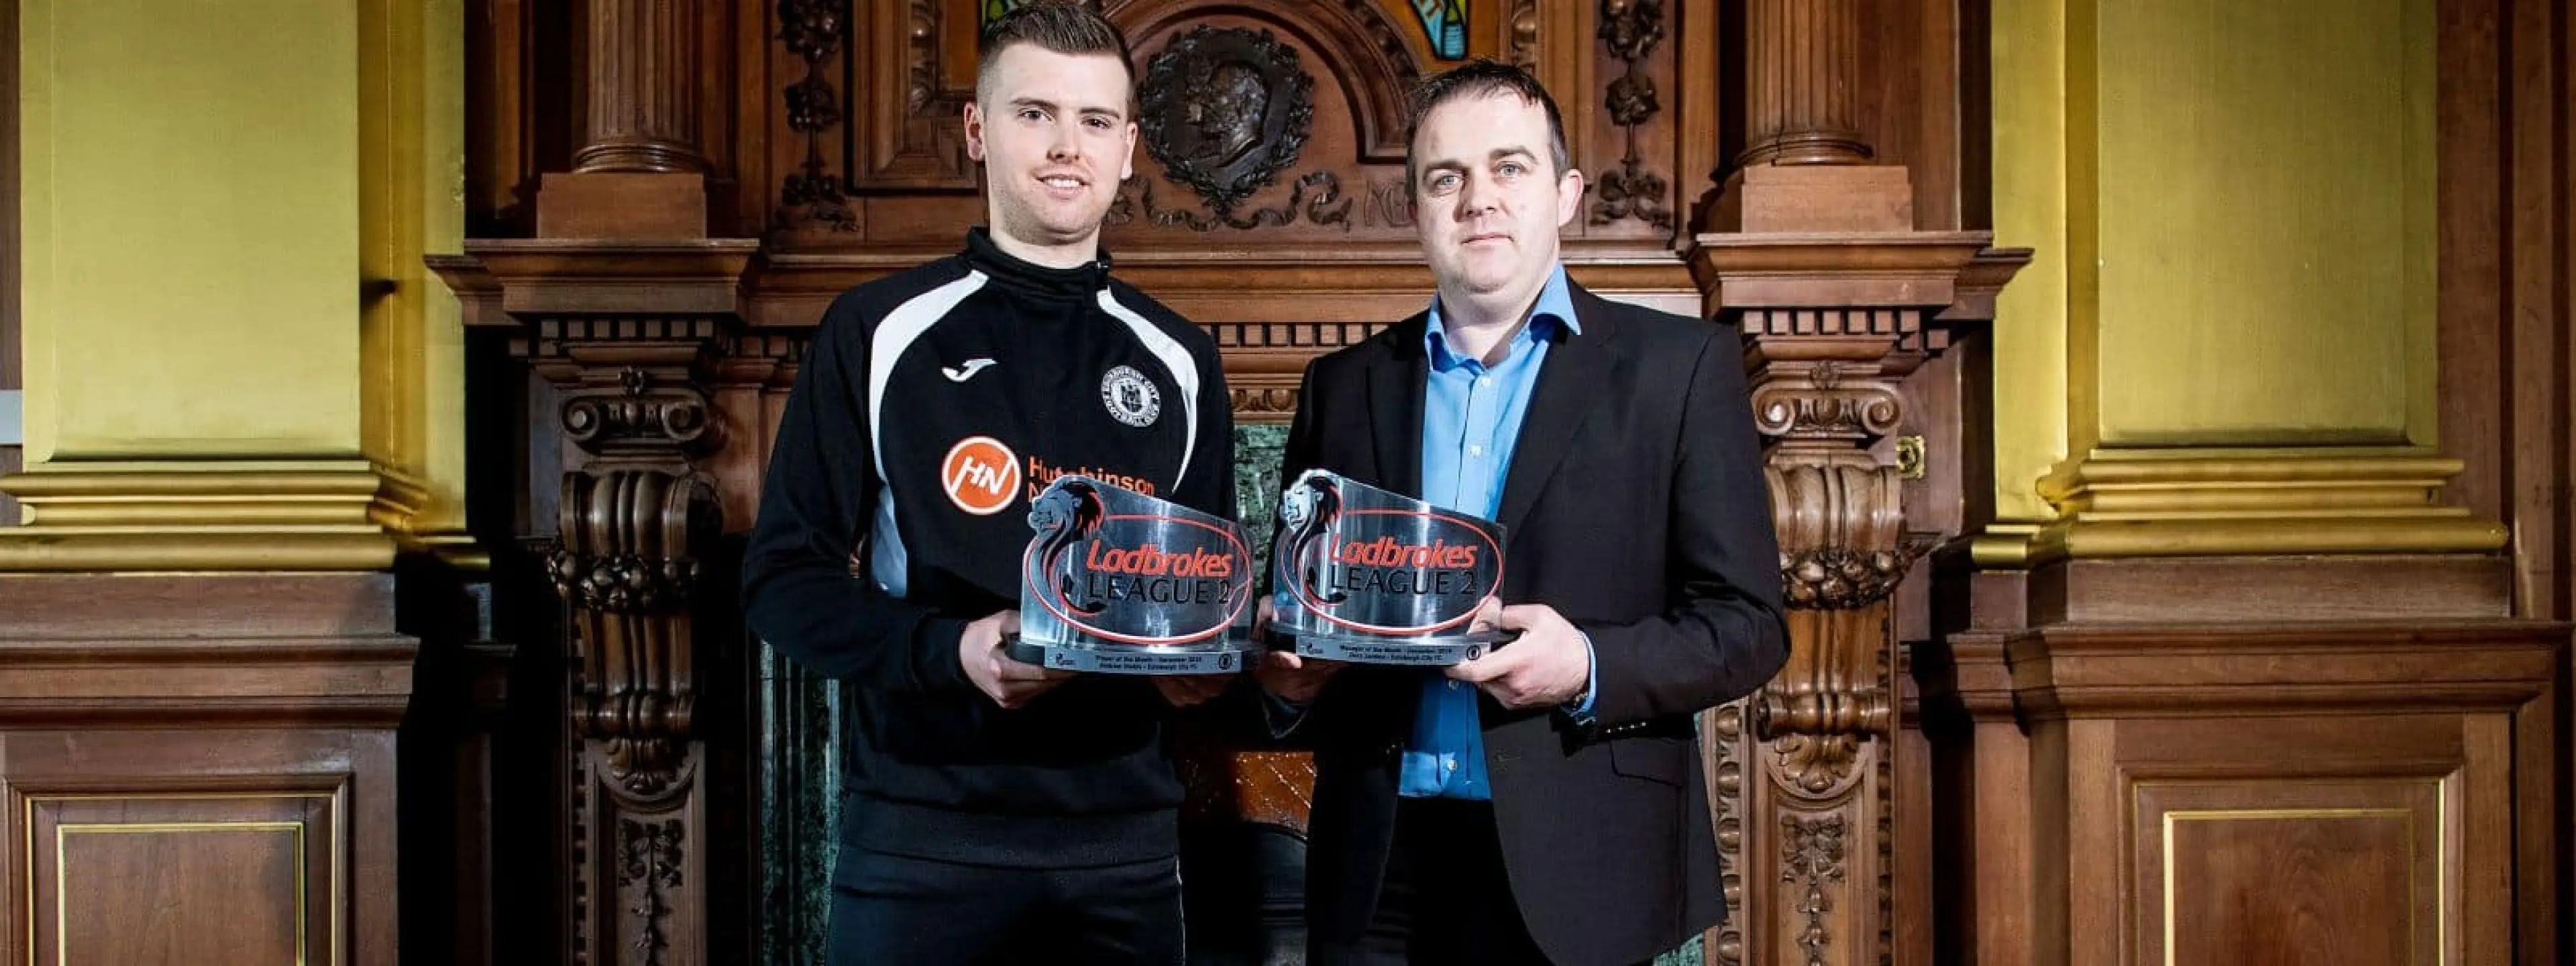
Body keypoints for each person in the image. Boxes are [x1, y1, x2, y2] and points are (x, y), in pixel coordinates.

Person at [1254, 59, 1790, 966]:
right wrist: (1286, 677)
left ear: (1565, 195)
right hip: (1378, 865)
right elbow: (1301, 616)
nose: (1479, 200)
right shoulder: (1343, 389)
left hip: (1586, 857)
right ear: (1416, 207)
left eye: (1509, 167)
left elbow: (1748, 626)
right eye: (1446, 177)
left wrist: (1584, 663)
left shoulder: (1680, 370)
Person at [741, 5, 1234, 963]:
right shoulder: (878, 330)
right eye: (1034, 113)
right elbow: (782, 582)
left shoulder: (1182, 359)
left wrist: (1200, 670)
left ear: (1129, 148)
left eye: (1095, 122)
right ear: (978, 129)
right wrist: (950, 651)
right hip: (920, 841)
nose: (1065, 147)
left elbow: (1200, 603)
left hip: (1123, 851)